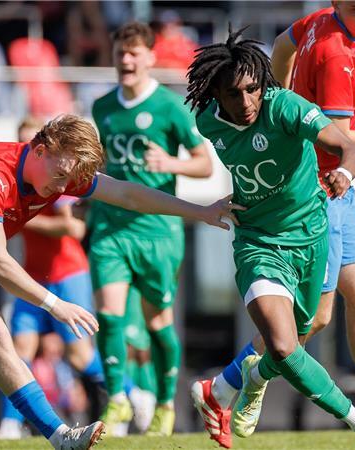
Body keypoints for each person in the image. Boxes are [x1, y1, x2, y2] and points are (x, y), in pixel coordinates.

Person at [0, 114, 238, 450]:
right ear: (41, 149)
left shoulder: (57, 172)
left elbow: (127, 194)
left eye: (69, 179)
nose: (63, 187)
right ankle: (61, 437)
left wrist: (201, 212)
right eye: (60, 176)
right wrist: (55, 305)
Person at [192, 2, 355, 446]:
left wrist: (271, 89)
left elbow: (281, 46)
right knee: (308, 327)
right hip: (310, 201)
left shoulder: (315, 28)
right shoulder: (333, 52)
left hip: (333, 195)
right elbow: (338, 140)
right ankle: (241, 388)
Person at [90, 21, 213, 437]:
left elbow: (205, 163)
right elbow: (103, 164)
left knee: (158, 323)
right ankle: (117, 399)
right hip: (111, 227)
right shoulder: (101, 107)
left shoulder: (168, 107)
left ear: (150, 57)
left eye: (134, 53)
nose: (126, 60)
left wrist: (172, 164)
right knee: (107, 315)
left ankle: (164, 402)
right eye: (120, 53)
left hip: (158, 231)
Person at [0, 117, 106, 439]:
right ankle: (10, 424)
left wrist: (25, 222)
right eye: (25, 142)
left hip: (69, 273)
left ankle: (129, 393)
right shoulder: (16, 179)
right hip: (32, 274)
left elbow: (75, 228)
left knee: (80, 355)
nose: (31, 150)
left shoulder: (61, 178)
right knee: (18, 349)